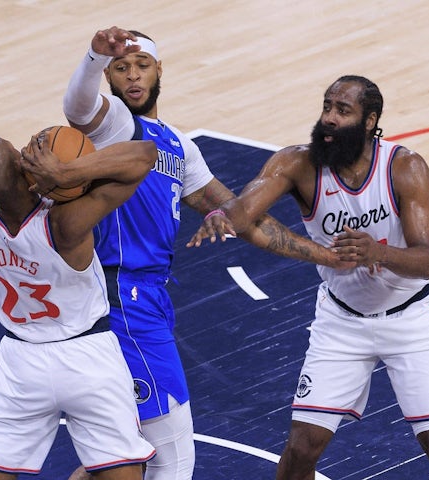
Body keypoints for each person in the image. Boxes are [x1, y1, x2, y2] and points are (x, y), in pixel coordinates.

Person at [62, 26, 335, 480]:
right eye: (121, 68)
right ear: (109, 77)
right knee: (171, 461)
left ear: (158, 70)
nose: (132, 76)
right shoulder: (114, 128)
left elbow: (242, 217)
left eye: (141, 66)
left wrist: (324, 255)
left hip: (146, 297)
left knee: (119, 456)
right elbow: (77, 107)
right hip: (121, 298)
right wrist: (92, 56)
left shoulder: (177, 145)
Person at [188, 75, 429, 479]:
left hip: (415, 319)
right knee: (301, 448)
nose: (328, 118)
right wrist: (221, 216)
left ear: (369, 121)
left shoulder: (404, 167)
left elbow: (426, 261)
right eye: (327, 107)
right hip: (342, 321)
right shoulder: (296, 163)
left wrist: (376, 251)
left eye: (342, 111)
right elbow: (243, 211)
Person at [0, 133, 158, 480]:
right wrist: (67, 174)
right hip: (87, 357)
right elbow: (144, 155)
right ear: (23, 172)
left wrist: (28, 177)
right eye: (21, 154)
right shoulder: (65, 223)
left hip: (21, 364)